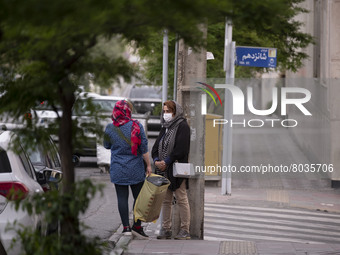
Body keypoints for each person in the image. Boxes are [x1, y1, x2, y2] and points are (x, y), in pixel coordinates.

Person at [104, 100, 152, 239]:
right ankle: (137, 226)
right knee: (138, 198)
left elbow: (106, 145)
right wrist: (148, 165)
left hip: (118, 168)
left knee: (122, 197)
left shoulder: (110, 128)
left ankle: (126, 228)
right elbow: (143, 148)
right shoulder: (137, 126)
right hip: (135, 168)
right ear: (129, 111)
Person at [152, 100, 191, 240]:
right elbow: (156, 146)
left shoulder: (183, 126)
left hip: (176, 168)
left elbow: (181, 149)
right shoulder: (165, 127)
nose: (166, 114)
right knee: (165, 200)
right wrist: (157, 160)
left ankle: (185, 230)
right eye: (164, 111)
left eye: (168, 111)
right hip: (164, 170)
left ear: (176, 112)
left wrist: (166, 162)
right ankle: (166, 229)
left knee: (181, 199)